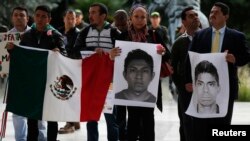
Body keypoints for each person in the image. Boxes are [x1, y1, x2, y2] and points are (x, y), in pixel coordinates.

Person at [184, 2, 250, 141]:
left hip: (226, 90)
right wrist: (187, 82)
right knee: (200, 129)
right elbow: (189, 60)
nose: (212, 15)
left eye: (216, 12)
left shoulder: (237, 36)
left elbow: (246, 57)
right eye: (211, 12)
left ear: (226, 16)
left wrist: (234, 59)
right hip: (202, 90)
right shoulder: (200, 35)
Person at [110, 4, 168, 141]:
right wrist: (111, 55)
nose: (140, 19)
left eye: (143, 17)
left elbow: (167, 56)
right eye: (136, 16)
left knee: (148, 119)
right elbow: (115, 61)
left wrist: (163, 52)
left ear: (147, 19)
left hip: (149, 89)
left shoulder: (154, 35)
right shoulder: (123, 36)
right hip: (129, 88)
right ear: (130, 17)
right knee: (133, 119)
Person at [17, 5, 66, 141]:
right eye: (37, 15)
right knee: (32, 118)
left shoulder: (56, 36)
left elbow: (65, 56)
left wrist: (59, 53)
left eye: (43, 16)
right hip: (32, 84)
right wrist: (11, 51)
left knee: (51, 119)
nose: (40, 19)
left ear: (49, 19)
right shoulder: (26, 36)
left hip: (50, 83)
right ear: (34, 17)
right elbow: (21, 57)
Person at [74, 3, 121, 141]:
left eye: (94, 12)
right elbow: (75, 51)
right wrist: (94, 49)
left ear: (103, 16)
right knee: (91, 117)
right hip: (91, 80)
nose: (90, 15)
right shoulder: (84, 32)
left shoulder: (114, 32)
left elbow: (122, 54)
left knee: (111, 118)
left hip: (110, 82)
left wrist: (110, 55)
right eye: (90, 12)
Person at [6, 6, 47, 141]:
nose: (18, 17)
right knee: (18, 111)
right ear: (12, 18)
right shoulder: (6, 38)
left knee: (39, 111)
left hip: (37, 79)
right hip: (17, 79)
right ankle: (21, 139)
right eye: (16, 15)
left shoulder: (37, 33)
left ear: (27, 18)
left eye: (21, 15)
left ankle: (42, 138)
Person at [171, 6, 201, 141]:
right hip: (186, 92)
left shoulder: (209, 39)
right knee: (186, 124)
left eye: (196, 15)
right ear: (183, 22)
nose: (195, 17)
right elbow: (172, 70)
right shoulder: (178, 43)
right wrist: (183, 86)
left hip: (205, 89)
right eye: (191, 16)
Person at [57, 9, 81, 134]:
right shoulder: (58, 32)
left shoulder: (78, 34)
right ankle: (74, 121)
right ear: (64, 19)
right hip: (60, 68)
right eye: (69, 18)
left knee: (70, 96)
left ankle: (70, 124)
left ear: (76, 20)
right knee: (65, 95)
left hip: (73, 68)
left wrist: (62, 54)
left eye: (73, 18)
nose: (71, 20)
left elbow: (78, 52)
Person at [111, 9, 129, 141]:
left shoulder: (133, 33)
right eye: (119, 25)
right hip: (118, 79)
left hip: (133, 79)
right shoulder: (111, 34)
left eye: (124, 25)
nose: (121, 28)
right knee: (120, 113)